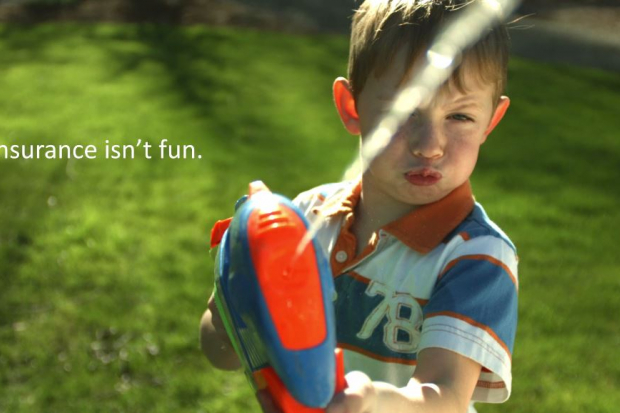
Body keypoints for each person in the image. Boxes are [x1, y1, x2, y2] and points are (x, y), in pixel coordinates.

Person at [200, 1, 519, 412]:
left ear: (491, 121)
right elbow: (219, 351)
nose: (430, 146)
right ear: (352, 107)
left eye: (459, 117)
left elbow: (445, 396)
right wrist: (240, 302)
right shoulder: (303, 219)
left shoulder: (476, 256)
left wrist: (367, 402)